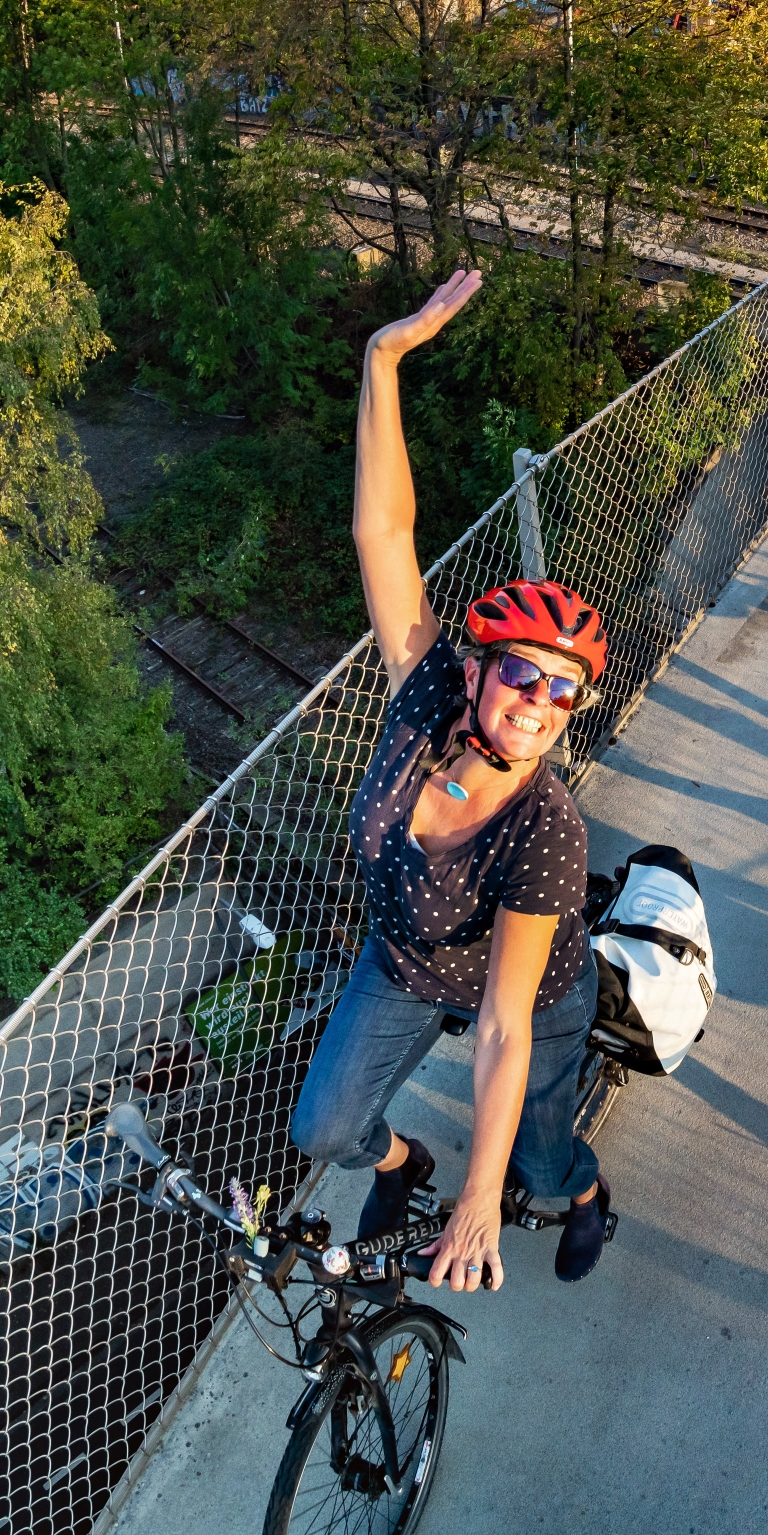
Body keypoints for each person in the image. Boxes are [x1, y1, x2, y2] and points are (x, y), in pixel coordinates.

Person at [287, 267, 616, 1290]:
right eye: (522, 672)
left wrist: (479, 1205)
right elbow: (381, 536)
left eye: (565, 692)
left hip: (530, 994)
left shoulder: (545, 827)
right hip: (405, 958)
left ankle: (588, 1194)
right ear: (473, 669)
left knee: (538, 1157)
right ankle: (403, 1160)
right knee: (323, 1126)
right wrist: (382, 359)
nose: (537, 701)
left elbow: (507, 1025)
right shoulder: (426, 697)